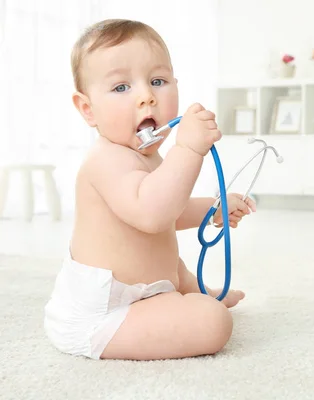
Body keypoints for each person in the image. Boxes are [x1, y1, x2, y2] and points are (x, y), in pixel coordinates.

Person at [43, 18, 255, 361]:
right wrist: (187, 151)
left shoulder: (151, 157)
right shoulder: (105, 161)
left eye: (158, 81)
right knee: (212, 322)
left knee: (174, 265)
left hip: (146, 287)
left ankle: (195, 291)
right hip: (104, 314)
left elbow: (173, 209)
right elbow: (154, 214)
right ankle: (191, 302)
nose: (147, 97)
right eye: (121, 87)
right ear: (87, 108)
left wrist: (214, 208)